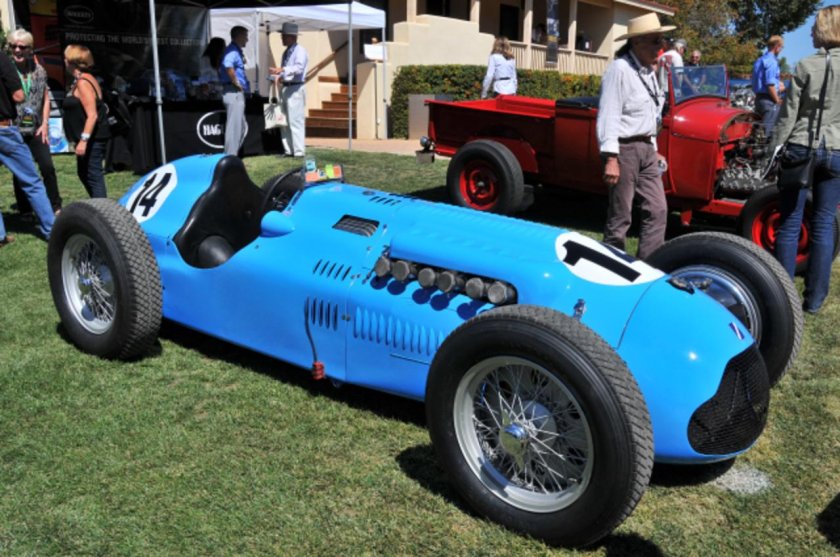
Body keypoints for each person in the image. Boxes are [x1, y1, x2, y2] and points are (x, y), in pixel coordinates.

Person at [770, 6, 840, 314]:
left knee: (789, 222)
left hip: (802, 145)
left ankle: (784, 299)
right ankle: (813, 300)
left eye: (813, 28)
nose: (810, 33)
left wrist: (773, 149)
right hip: (837, 149)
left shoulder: (805, 66)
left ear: (825, 29)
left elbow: (788, 116)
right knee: (824, 222)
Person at [597, 12, 673, 260]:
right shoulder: (620, 69)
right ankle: (611, 266)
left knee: (658, 210)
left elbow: (649, 114)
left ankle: (648, 266)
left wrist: (653, 145)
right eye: (654, 41)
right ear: (637, 42)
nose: (660, 46)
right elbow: (609, 113)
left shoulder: (650, 72)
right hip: (623, 150)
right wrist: (610, 157)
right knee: (621, 216)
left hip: (645, 150)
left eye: (661, 41)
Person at [0, 48, 54, 246]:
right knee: (32, 182)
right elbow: (18, 96)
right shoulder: (2, 60)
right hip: (4, 129)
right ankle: (52, 230)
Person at [7, 29, 61, 216]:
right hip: (14, 128)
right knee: (20, 169)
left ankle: (56, 206)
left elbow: (45, 98)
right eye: (13, 46)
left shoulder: (39, 71)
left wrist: (46, 123)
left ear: (30, 49)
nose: (17, 50)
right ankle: (25, 209)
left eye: (22, 47)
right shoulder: (6, 71)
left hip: (37, 127)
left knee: (47, 166)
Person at [62, 44, 110, 199]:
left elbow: (92, 115)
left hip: (93, 139)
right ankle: (98, 206)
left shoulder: (83, 83)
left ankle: (104, 212)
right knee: (84, 173)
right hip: (87, 138)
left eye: (66, 58)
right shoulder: (80, 80)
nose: (64, 61)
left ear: (72, 62)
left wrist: (84, 140)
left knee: (93, 175)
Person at [269, 22, 308, 158]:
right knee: (283, 120)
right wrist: (278, 76)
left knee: (295, 120)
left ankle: (298, 151)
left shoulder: (300, 51)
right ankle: (288, 150)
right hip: (286, 87)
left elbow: (299, 68)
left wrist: (282, 69)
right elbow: (286, 72)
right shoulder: (286, 52)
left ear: (292, 37)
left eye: (284, 36)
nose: (282, 39)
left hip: (296, 88)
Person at [220, 26, 250, 156]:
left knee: (241, 127)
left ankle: (233, 154)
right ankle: (230, 156)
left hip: (235, 92)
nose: (247, 39)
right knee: (234, 128)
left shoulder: (235, 50)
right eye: (245, 36)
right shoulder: (232, 51)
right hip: (233, 92)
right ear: (238, 36)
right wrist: (237, 83)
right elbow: (228, 65)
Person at [752, 35, 785, 137]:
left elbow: (760, 81)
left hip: (759, 99)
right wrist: (777, 100)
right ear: (777, 46)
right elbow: (770, 85)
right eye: (781, 47)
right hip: (769, 101)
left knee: (758, 130)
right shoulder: (772, 62)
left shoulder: (760, 60)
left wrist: (778, 86)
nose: (781, 50)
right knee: (767, 134)